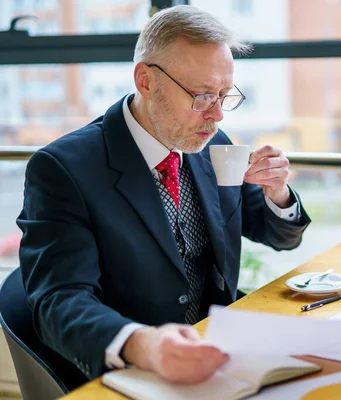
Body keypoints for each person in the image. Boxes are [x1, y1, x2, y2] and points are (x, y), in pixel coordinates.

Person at [16, 5, 310, 388]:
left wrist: (278, 193)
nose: (218, 115)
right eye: (202, 96)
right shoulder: (63, 169)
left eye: (225, 95)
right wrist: (144, 345)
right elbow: (59, 301)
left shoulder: (211, 142)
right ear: (146, 81)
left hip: (218, 353)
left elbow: (276, 235)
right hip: (132, 373)